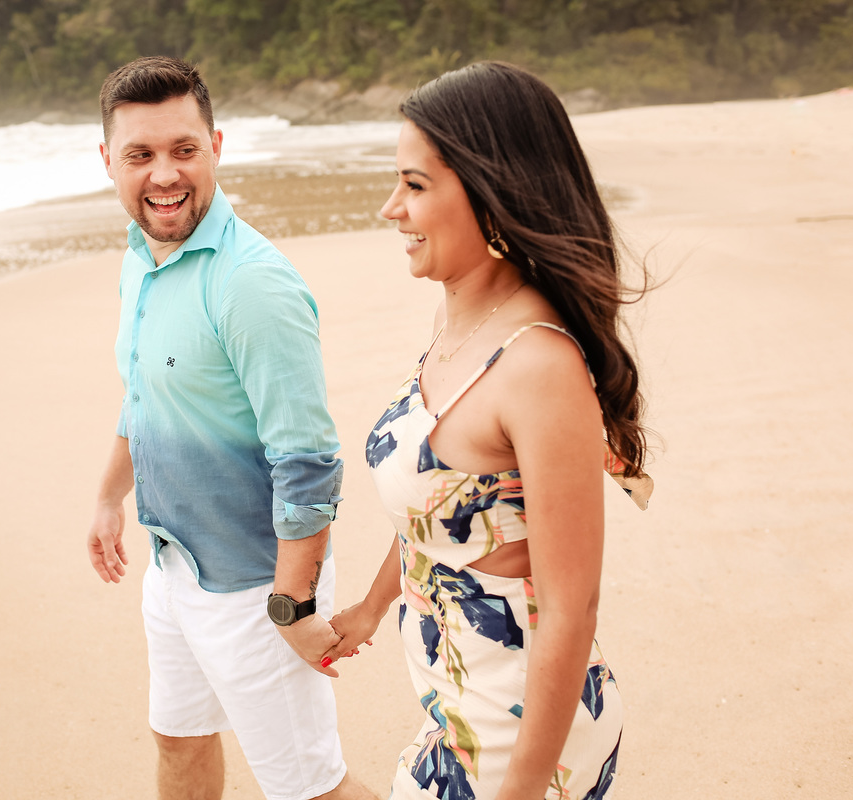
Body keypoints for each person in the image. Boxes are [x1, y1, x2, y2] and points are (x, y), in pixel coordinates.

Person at [320, 61, 654, 800]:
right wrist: (373, 608)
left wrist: (524, 792)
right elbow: (442, 503)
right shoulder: (458, 320)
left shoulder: (537, 365)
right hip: (456, 712)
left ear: (489, 186)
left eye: (414, 185)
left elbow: (572, 608)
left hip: (523, 737)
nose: (389, 209)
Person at [86, 56, 375, 800]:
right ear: (107, 160)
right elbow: (146, 394)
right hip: (175, 564)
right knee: (178, 743)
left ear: (216, 146)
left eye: (183, 150)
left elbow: (309, 463)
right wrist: (108, 497)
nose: (163, 176)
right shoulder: (140, 259)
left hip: (257, 586)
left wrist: (293, 605)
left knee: (312, 790)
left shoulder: (251, 284)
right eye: (140, 155)